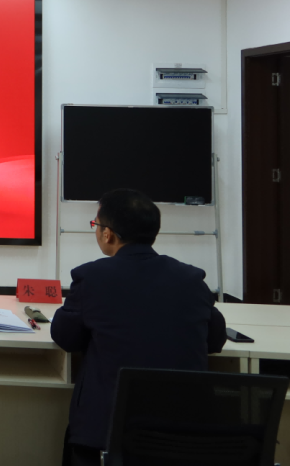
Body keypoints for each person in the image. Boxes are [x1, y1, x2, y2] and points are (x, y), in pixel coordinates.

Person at [51, 189, 227, 466]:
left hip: (105, 440)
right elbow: (215, 340)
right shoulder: (191, 279)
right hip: (183, 441)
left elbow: (65, 337)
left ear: (108, 234)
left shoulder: (92, 277)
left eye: (96, 224)